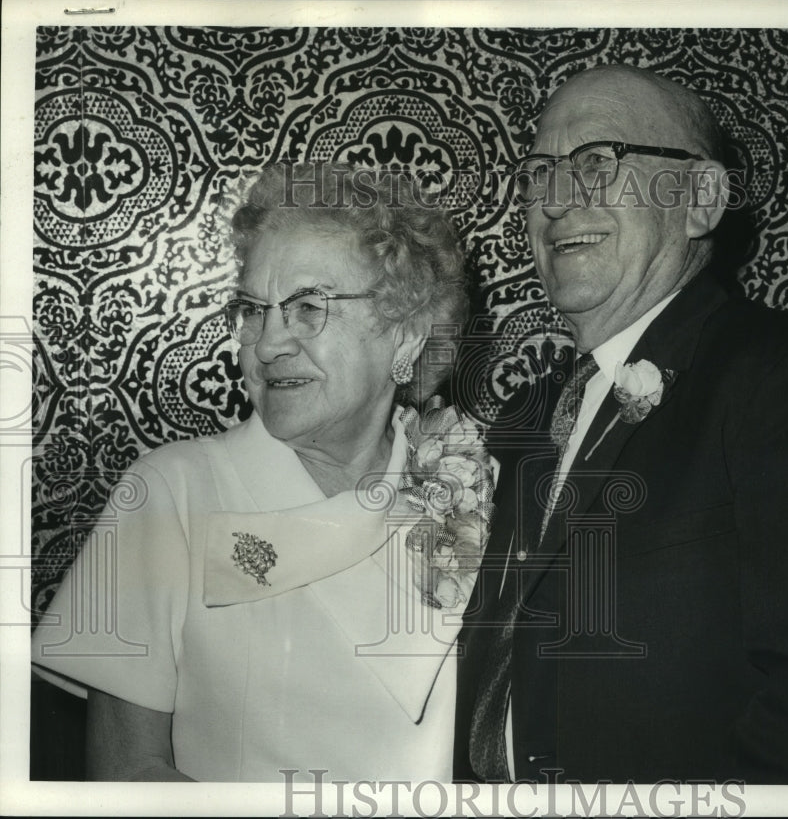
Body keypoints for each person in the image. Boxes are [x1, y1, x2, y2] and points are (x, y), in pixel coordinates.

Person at [453, 64, 788, 785]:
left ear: (701, 199)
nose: (556, 199)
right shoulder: (525, 417)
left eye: (597, 163)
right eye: (540, 172)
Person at [32, 161, 492, 782]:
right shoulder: (170, 493)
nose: (267, 341)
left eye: (308, 308)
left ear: (406, 335)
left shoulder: (471, 487)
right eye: (253, 309)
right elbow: (127, 774)